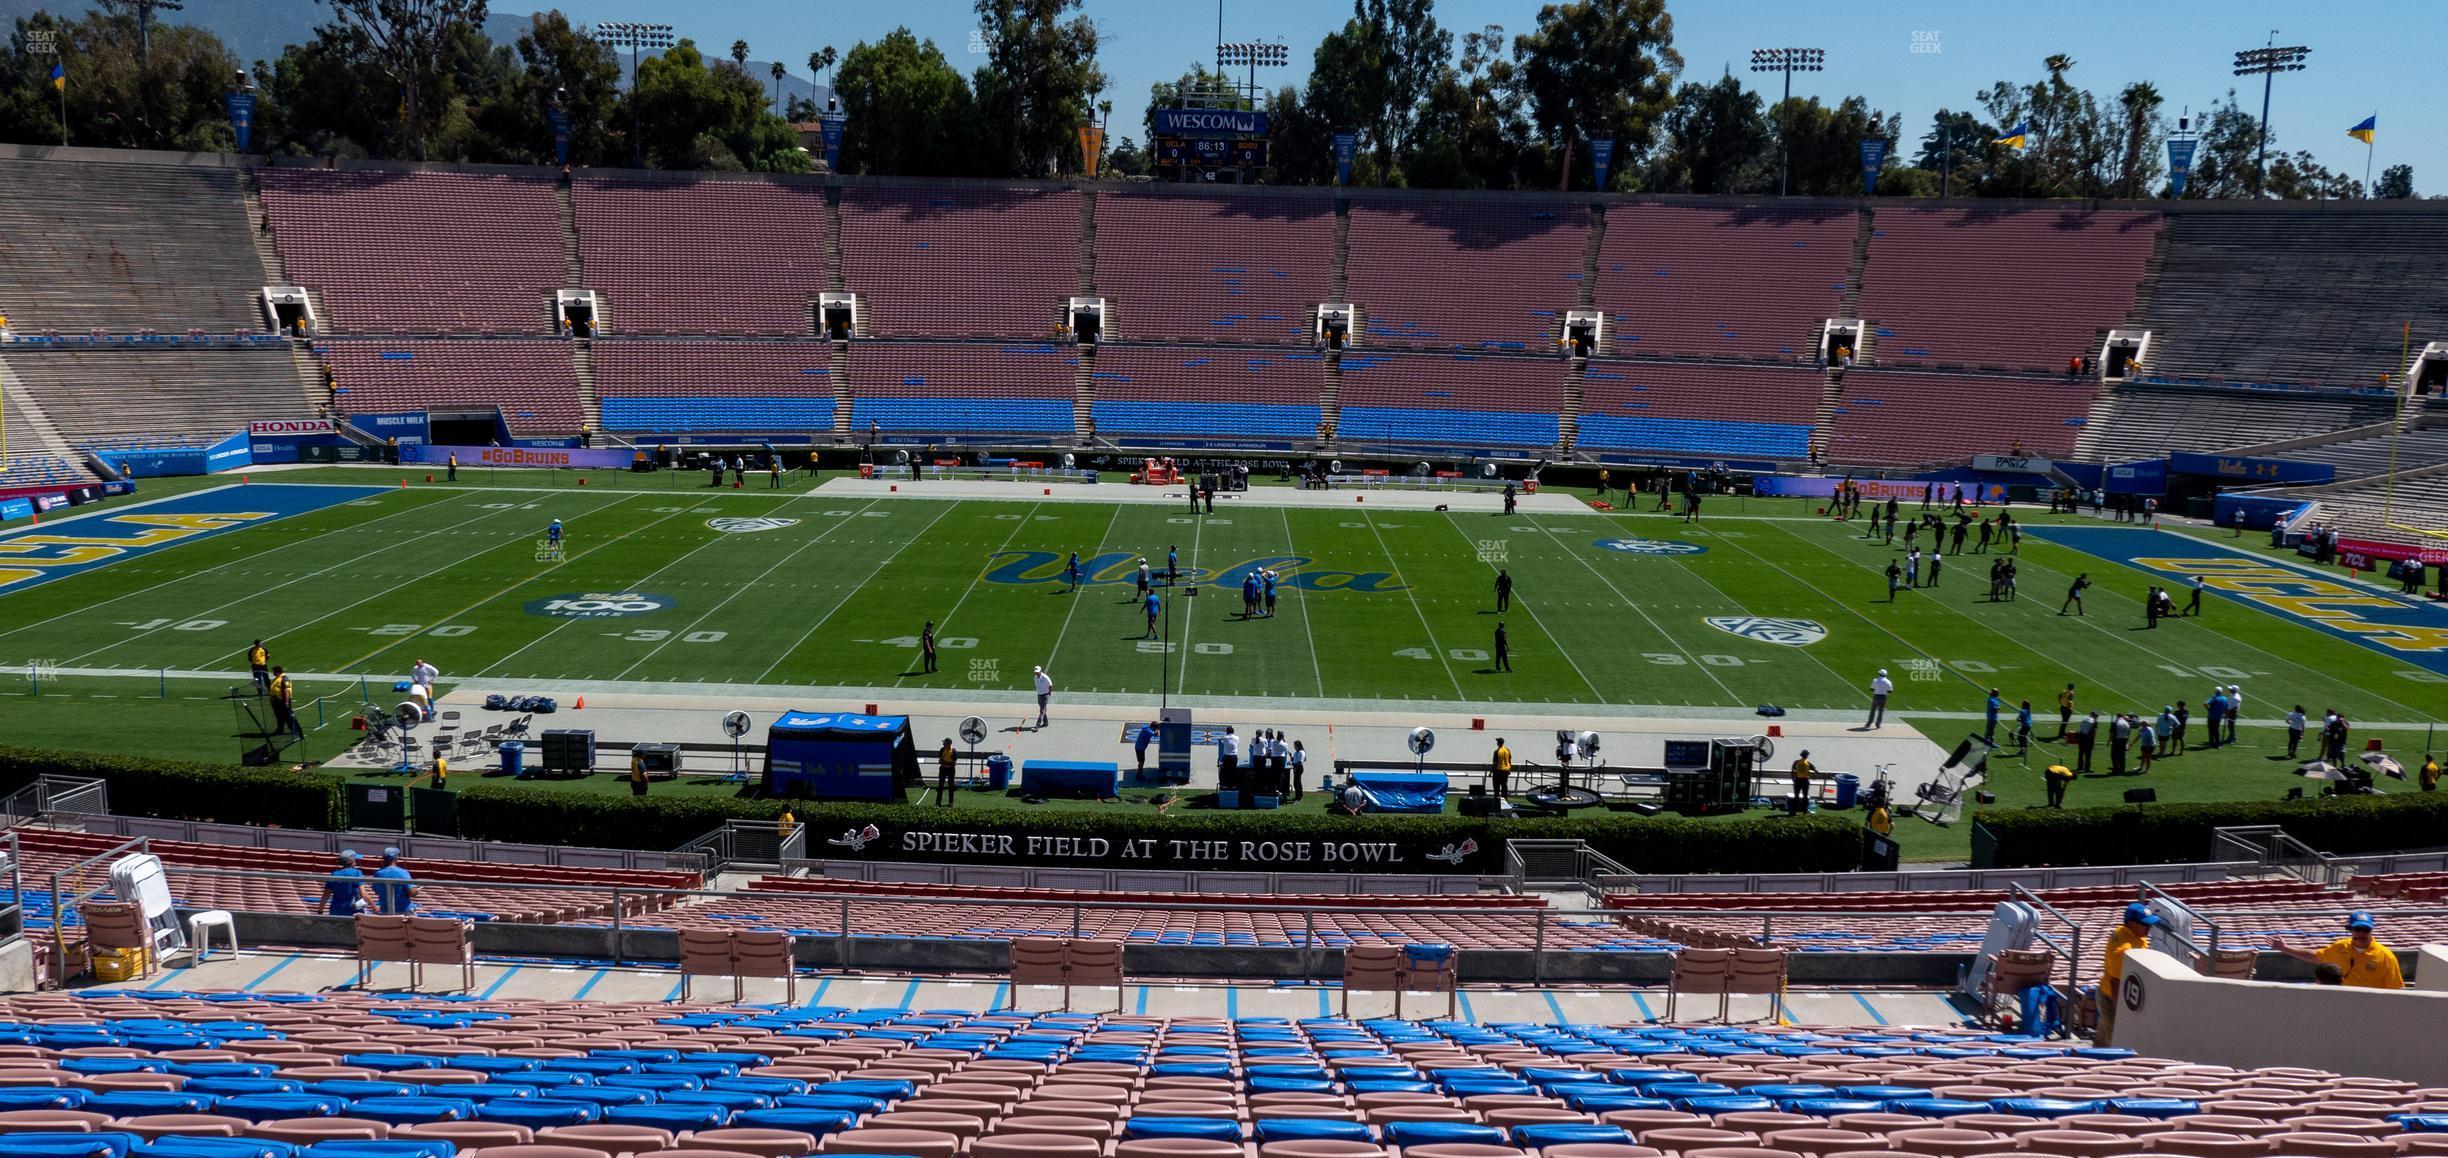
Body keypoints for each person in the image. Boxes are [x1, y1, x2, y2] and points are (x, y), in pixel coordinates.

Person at [2272, 912, 2404, 989]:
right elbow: (2316, 957)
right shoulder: (2340, 947)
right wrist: (2285, 948)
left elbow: (2395, 989)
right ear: (2351, 930)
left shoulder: (2386, 956)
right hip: (2341, 1003)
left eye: (2366, 930)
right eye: (2358, 929)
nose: (2361, 933)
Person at [2098, 902, 2158, 1047]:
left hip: (2111, 992)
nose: (2149, 928)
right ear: (2131, 924)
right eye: (2145, 924)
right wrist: (2122, 1013)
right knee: (2115, 1043)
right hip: (2111, 998)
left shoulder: (2130, 933)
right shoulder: (2123, 951)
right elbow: (2115, 983)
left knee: (2102, 1042)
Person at [373, 848, 415, 915]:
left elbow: (376, 891)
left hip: (385, 911)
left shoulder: (377, 873)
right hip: (403, 911)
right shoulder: (403, 872)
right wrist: (416, 891)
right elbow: (412, 892)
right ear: (396, 858)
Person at [324, 850, 367, 917]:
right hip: (353, 910)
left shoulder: (334, 874)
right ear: (351, 861)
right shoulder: (357, 873)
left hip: (336, 910)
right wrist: (374, 906)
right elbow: (363, 893)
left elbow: (326, 895)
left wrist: (320, 910)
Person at [269, 666, 302, 740]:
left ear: (277, 671)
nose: (273, 673)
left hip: (283, 701)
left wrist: (286, 702)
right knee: (279, 716)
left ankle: (294, 730)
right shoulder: (276, 679)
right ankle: (280, 729)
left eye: (274, 671)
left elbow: (286, 691)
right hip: (276, 701)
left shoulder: (284, 679)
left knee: (288, 716)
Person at [1789, 749, 1816, 814]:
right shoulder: (1808, 763)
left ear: (1801, 755)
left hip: (1797, 780)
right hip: (1805, 781)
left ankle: (1793, 811)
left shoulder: (1796, 762)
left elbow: (1792, 771)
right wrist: (1814, 775)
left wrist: (1793, 778)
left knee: (1796, 796)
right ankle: (1805, 811)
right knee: (1805, 796)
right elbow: (1814, 769)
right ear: (1807, 756)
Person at [937, 738, 958, 805]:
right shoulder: (942, 750)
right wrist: (948, 763)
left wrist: (945, 763)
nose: (943, 744)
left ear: (949, 744)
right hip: (943, 769)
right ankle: (938, 802)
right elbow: (940, 762)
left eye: (945, 743)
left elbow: (954, 764)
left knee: (951, 786)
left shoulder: (954, 751)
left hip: (951, 770)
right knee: (940, 786)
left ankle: (950, 802)